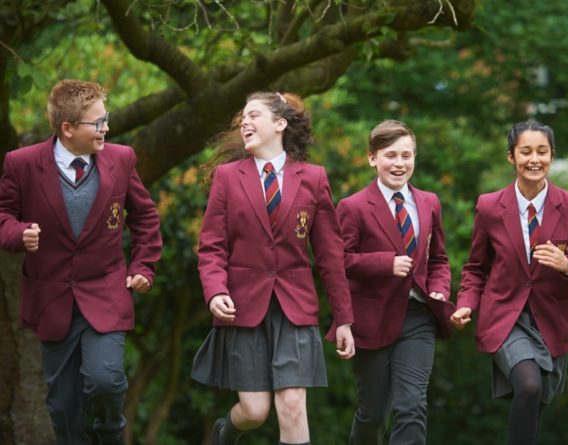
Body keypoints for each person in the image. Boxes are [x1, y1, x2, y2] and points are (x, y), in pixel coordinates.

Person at [0, 79, 162, 444]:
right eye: (98, 123)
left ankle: (110, 437)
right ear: (67, 128)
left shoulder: (122, 159)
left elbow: (145, 218)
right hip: (51, 300)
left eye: (106, 119)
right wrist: (18, 234)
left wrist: (142, 267)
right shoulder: (21, 164)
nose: (107, 128)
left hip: (105, 292)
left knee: (105, 381)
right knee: (63, 406)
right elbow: (3, 216)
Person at [191, 91, 356, 445]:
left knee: (293, 405)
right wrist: (215, 290)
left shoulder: (313, 178)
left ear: (279, 124)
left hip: (295, 308)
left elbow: (329, 255)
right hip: (243, 306)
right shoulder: (226, 177)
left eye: (254, 116)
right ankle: (227, 431)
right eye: (243, 117)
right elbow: (211, 247)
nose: (245, 123)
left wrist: (343, 318)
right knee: (254, 412)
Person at [451, 121, 568, 444]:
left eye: (542, 151)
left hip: (553, 322)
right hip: (506, 317)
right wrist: (465, 305)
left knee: (536, 401)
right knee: (529, 384)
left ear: (552, 155)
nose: (535, 159)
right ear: (511, 157)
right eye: (526, 152)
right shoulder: (490, 207)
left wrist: (567, 265)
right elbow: (476, 268)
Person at [336, 120, 453, 444]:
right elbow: (336, 263)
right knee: (373, 415)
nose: (399, 164)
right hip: (371, 319)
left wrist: (440, 289)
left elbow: (440, 260)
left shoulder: (430, 202)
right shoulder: (353, 207)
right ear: (373, 158)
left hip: (418, 318)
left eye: (407, 155)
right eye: (391, 155)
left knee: (411, 405)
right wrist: (383, 263)